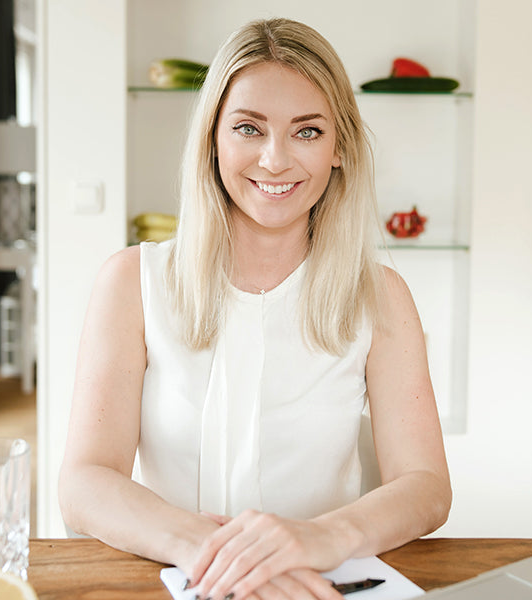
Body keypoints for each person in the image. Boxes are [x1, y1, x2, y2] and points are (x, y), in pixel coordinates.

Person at [59, 17, 450, 600]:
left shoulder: (381, 295)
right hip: (174, 580)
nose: (274, 160)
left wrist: (319, 539)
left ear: (340, 147)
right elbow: (85, 480)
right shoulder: (130, 281)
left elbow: (426, 487)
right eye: (248, 128)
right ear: (213, 138)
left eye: (308, 132)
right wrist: (211, 553)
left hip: (319, 583)